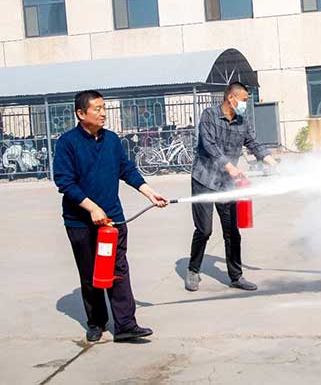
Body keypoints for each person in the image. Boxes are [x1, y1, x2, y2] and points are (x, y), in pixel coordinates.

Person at [53, 90, 168, 343]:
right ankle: (96, 322)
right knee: (90, 272)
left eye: (104, 108)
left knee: (118, 269)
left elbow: (126, 168)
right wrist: (91, 208)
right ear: (81, 114)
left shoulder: (112, 140)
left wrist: (149, 192)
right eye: (97, 109)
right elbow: (64, 181)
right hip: (80, 222)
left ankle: (126, 324)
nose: (103, 113)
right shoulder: (67, 143)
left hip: (113, 219)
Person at [185, 81, 277, 292]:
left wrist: (270, 160)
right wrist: (229, 166)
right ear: (231, 98)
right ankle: (193, 269)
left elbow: (253, 143)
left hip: (226, 184)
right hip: (204, 179)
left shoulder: (242, 121)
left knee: (232, 232)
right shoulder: (209, 115)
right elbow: (209, 145)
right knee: (204, 230)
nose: (245, 104)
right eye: (243, 100)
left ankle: (236, 276)